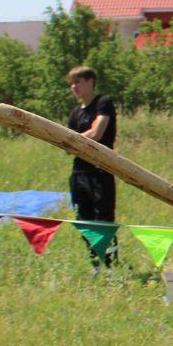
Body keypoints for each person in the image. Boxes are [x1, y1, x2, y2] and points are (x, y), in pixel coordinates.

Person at [65, 67, 117, 264]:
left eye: (78, 82)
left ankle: (111, 263)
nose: (73, 86)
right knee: (84, 219)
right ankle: (94, 262)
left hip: (101, 170)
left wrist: (74, 139)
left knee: (103, 220)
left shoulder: (103, 103)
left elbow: (97, 134)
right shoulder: (75, 113)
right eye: (72, 83)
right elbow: (66, 147)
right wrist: (74, 141)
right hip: (79, 173)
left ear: (90, 81)